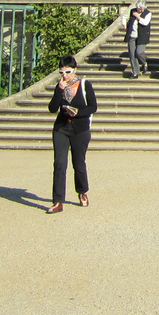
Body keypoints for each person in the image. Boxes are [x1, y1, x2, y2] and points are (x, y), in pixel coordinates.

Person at [47, 55, 97, 213]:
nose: (65, 75)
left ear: (75, 70)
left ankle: (82, 192)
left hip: (80, 129)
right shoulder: (60, 86)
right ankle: (58, 201)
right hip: (61, 128)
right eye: (61, 72)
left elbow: (93, 107)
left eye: (68, 72)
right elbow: (52, 108)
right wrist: (59, 91)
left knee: (79, 164)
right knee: (60, 164)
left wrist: (77, 112)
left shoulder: (84, 84)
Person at [125, 0, 151, 78]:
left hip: (142, 35)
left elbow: (145, 23)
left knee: (139, 52)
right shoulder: (132, 11)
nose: (140, 10)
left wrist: (138, 16)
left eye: (141, 9)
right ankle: (135, 72)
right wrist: (124, 24)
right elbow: (125, 17)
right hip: (132, 35)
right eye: (138, 9)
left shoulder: (148, 13)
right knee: (132, 54)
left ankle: (144, 63)